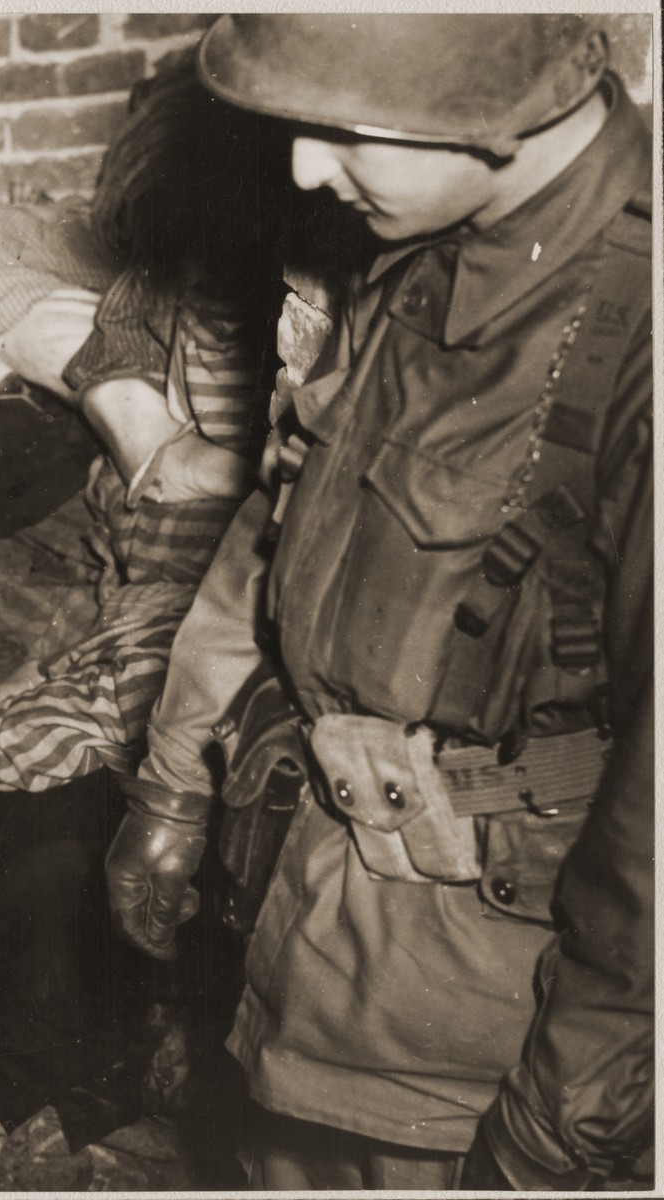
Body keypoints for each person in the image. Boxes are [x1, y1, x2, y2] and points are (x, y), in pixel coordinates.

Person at [104, 14, 653, 1190]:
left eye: (346, 129)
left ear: (506, 107)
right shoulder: (412, 244)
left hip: (483, 1045)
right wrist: (174, 770)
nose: (303, 167)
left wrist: (555, 1137)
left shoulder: (638, 340)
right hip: (315, 923)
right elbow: (285, 520)